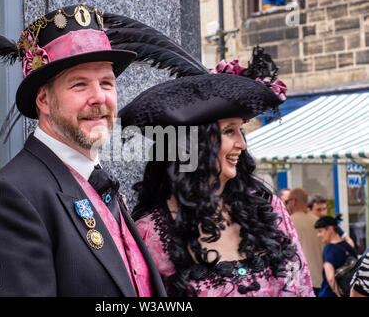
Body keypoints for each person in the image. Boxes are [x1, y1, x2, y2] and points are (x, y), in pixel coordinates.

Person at [0, 4, 167, 296]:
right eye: (79, 85)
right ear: (44, 100)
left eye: (106, 83)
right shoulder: (10, 200)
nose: (99, 97)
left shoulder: (97, 182)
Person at [119, 49, 315, 297]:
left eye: (240, 131)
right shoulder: (151, 233)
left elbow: (304, 288)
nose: (242, 144)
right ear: (193, 143)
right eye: (229, 131)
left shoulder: (269, 209)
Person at [287, 188, 324, 295]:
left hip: (298, 282)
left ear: (294, 201)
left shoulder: (287, 222)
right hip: (319, 280)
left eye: (287, 202)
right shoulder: (318, 222)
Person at [315, 215, 358, 297]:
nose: (318, 235)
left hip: (330, 293)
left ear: (330, 229)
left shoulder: (328, 249)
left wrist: (339, 295)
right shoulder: (348, 246)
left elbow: (330, 278)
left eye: (320, 231)